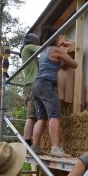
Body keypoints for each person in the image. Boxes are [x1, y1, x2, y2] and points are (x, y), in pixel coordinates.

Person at [31, 26, 78, 158]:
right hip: (46, 84)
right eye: (58, 37)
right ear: (55, 38)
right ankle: (55, 148)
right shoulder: (56, 50)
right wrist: (64, 48)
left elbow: (55, 64)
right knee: (55, 115)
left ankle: (35, 146)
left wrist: (61, 50)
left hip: (36, 85)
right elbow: (74, 64)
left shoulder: (44, 51)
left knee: (42, 118)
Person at [20, 33, 40, 146]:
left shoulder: (28, 52)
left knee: (34, 116)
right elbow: (44, 49)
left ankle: (28, 140)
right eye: (37, 42)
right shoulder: (28, 48)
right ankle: (26, 141)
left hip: (32, 85)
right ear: (33, 42)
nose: (38, 44)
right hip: (31, 85)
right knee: (31, 116)